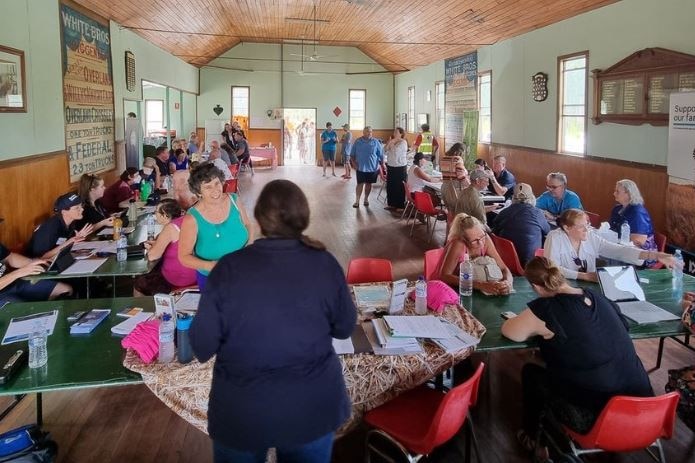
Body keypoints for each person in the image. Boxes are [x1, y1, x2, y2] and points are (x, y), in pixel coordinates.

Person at [189, 179, 356, 463]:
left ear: (258, 220)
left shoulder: (229, 267)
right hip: (311, 407)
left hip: (242, 410)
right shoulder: (324, 262)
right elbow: (344, 327)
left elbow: (202, 346)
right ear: (304, 217)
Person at [501, 256, 653, 455]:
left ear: (537, 288)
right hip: (647, 410)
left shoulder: (547, 309)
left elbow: (510, 332)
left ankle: (534, 438)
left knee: (532, 373)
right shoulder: (598, 297)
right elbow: (623, 325)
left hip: (599, 418)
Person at [544, 208, 675, 281]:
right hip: (561, 286)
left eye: (587, 225)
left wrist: (655, 255)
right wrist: (584, 276)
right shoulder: (555, 238)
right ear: (567, 228)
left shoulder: (590, 236)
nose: (586, 229)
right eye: (581, 227)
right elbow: (553, 268)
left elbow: (619, 250)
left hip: (586, 286)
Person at [178, 163, 253, 290]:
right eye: (207, 187)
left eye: (217, 183)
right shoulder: (192, 219)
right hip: (213, 278)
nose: (215, 190)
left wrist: (249, 246)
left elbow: (247, 224)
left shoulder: (234, 200)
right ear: (198, 192)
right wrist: (211, 265)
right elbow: (184, 257)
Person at [435, 213, 513, 295]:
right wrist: (480, 285)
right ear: (464, 239)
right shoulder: (458, 244)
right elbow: (444, 276)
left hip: (476, 288)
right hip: (456, 290)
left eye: (481, 236)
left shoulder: (485, 239)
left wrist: (507, 282)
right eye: (474, 241)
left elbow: (504, 268)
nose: (480, 243)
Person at [133, 199, 196, 296]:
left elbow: (152, 256)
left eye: (156, 212)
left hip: (177, 278)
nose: (155, 214)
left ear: (165, 215)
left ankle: (141, 309)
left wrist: (151, 248)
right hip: (195, 274)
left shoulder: (170, 228)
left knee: (140, 282)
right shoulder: (186, 220)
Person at [0, 235, 72, 306]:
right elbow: (17, 272)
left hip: (15, 284)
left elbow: (10, 258)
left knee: (65, 290)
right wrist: (18, 273)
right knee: (24, 310)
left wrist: (33, 262)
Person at [493, 183, 550, 267]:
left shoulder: (505, 212)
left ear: (513, 198)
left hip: (505, 260)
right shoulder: (537, 213)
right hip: (531, 264)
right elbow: (547, 231)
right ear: (532, 198)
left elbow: (495, 228)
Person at [26, 192, 93, 259]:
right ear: (64, 212)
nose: (82, 209)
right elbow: (42, 258)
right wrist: (70, 242)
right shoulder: (50, 228)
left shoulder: (71, 223)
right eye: (77, 208)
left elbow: (65, 246)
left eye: (81, 206)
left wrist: (76, 239)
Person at [608, 179, 658, 258]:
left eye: (617, 191)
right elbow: (610, 231)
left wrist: (614, 249)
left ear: (629, 194)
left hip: (641, 255)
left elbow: (638, 243)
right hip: (619, 248)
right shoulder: (617, 209)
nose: (614, 193)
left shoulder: (638, 213)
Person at [350, 126, 384, 208]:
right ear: (363, 132)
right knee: (360, 184)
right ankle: (357, 201)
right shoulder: (358, 141)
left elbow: (381, 155)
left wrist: (382, 164)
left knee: (369, 184)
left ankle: (366, 199)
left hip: (372, 167)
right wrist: (354, 164)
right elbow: (352, 155)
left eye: (371, 132)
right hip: (360, 167)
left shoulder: (376, 142)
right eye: (368, 131)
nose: (369, 133)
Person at [384, 127, 408, 210]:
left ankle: (400, 206)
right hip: (391, 166)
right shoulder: (392, 141)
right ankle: (391, 204)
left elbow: (396, 152)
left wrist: (392, 142)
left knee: (399, 187)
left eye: (396, 132)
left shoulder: (403, 142)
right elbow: (385, 150)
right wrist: (390, 143)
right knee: (390, 186)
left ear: (401, 134)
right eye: (394, 132)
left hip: (400, 167)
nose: (394, 133)